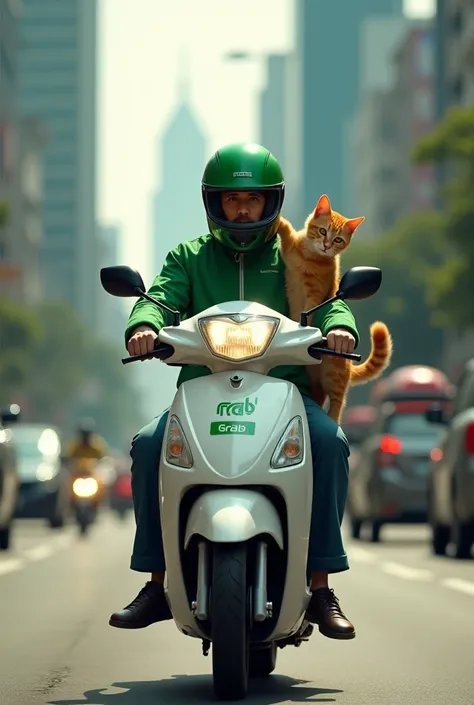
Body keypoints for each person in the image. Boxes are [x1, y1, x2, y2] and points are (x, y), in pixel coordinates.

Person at [109, 142, 358, 640]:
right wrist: (143, 324)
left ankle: (322, 584)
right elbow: (157, 299)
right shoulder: (188, 257)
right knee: (147, 445)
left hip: (285, 390)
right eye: (231, 200)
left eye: (252, 200)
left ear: (272, 203)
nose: (242, 210)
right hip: (201, 390)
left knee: (330, 443)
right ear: (213, 203)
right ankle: (157, 581)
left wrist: (341, 327)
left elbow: (327, 301)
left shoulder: (292, 253)